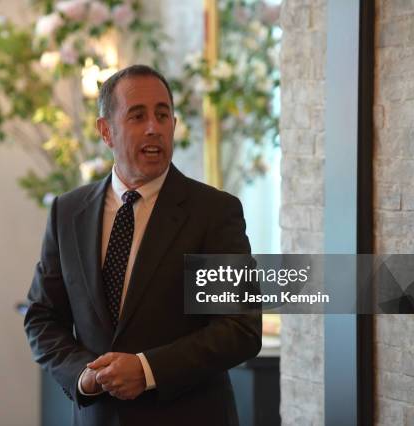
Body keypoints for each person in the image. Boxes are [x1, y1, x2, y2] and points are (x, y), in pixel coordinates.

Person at [24, 64, 261, 426]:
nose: (154, 127)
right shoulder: (68, 212)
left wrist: (147, 369)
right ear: (106, 131)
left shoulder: (213, 212)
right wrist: (83, 376)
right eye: (137, 115)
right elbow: (42, 317)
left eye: (162, 115)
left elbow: (238, 328)